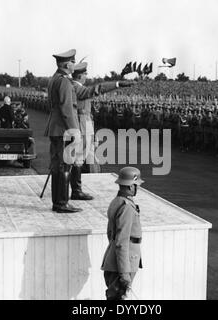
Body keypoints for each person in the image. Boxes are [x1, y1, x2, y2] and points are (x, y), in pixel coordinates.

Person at [70, 61, 134, 199]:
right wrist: (116, 84)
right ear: (80, 75)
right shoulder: (76, 88)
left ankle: (77, 188)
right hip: (81, 125)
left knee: (83, 158)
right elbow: (95, 90)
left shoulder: (76, 87)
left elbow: (87, 112)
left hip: (85, 124)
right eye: (85, 74)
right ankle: (76, 190)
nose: (86, 76)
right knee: (79, 159)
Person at [44, 49, 82, 213]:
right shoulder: (65, 82)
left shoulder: (55, 78)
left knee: (57, 166)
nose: (75, 64)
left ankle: (58, 202)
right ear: (68, 64)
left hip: (56, 127)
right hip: (64, 129)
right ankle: (61, 203)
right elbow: (67, 109)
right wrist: (74, 131)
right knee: (65, 166)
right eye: (73, 62)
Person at [101, 167, 143, 300]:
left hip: (115, 260)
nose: (137, 188)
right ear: (131, 186)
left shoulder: (117, 202)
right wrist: (124, 272)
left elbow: (110, 234)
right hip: (124, 263)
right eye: (136, 185)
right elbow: (122, 242)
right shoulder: (127, 207)